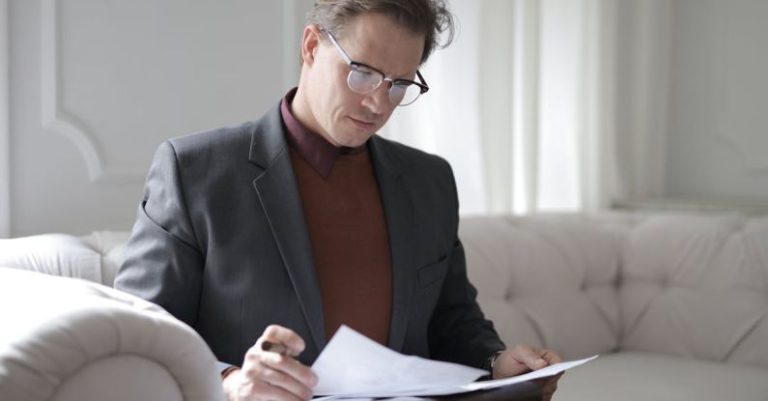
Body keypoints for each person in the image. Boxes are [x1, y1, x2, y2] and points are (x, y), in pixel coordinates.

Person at [115, 1, 562, 400]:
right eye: (362, 72)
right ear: (311, 46)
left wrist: (497, 366)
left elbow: (453, 319)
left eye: (399, 84)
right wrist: (231, 382)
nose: (377, 104)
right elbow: (140, 340)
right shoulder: (195, 172)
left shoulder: (430, 180)